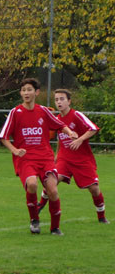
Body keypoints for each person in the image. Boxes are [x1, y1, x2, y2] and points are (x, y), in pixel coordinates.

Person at [0, 78, 78, 235]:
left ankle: (55, 227)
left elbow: (60, 125)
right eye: (23, 90)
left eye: (29, 90)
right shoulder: (16, 112)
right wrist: (14, 150)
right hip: (26, 158)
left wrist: (70, 132)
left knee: (53, 191)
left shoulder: (43, 111)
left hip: (45, 158)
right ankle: (34, 220)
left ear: (36, 92)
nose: (26, 93)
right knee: (32, 184)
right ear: (21, 93)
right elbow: (3, 136)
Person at [36, 89, 108, 224]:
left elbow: (93, 128)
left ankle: (101, 216)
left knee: (94, 189)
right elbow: (60, 137)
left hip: (82, 159)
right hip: (65, 158)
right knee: (52, 180)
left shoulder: (77, 115)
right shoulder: (57, 119)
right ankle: (40, 205)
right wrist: (57, 154)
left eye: (62, 99)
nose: (59, 102)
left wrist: (80, 140)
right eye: (56, 99)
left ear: (69, 101)